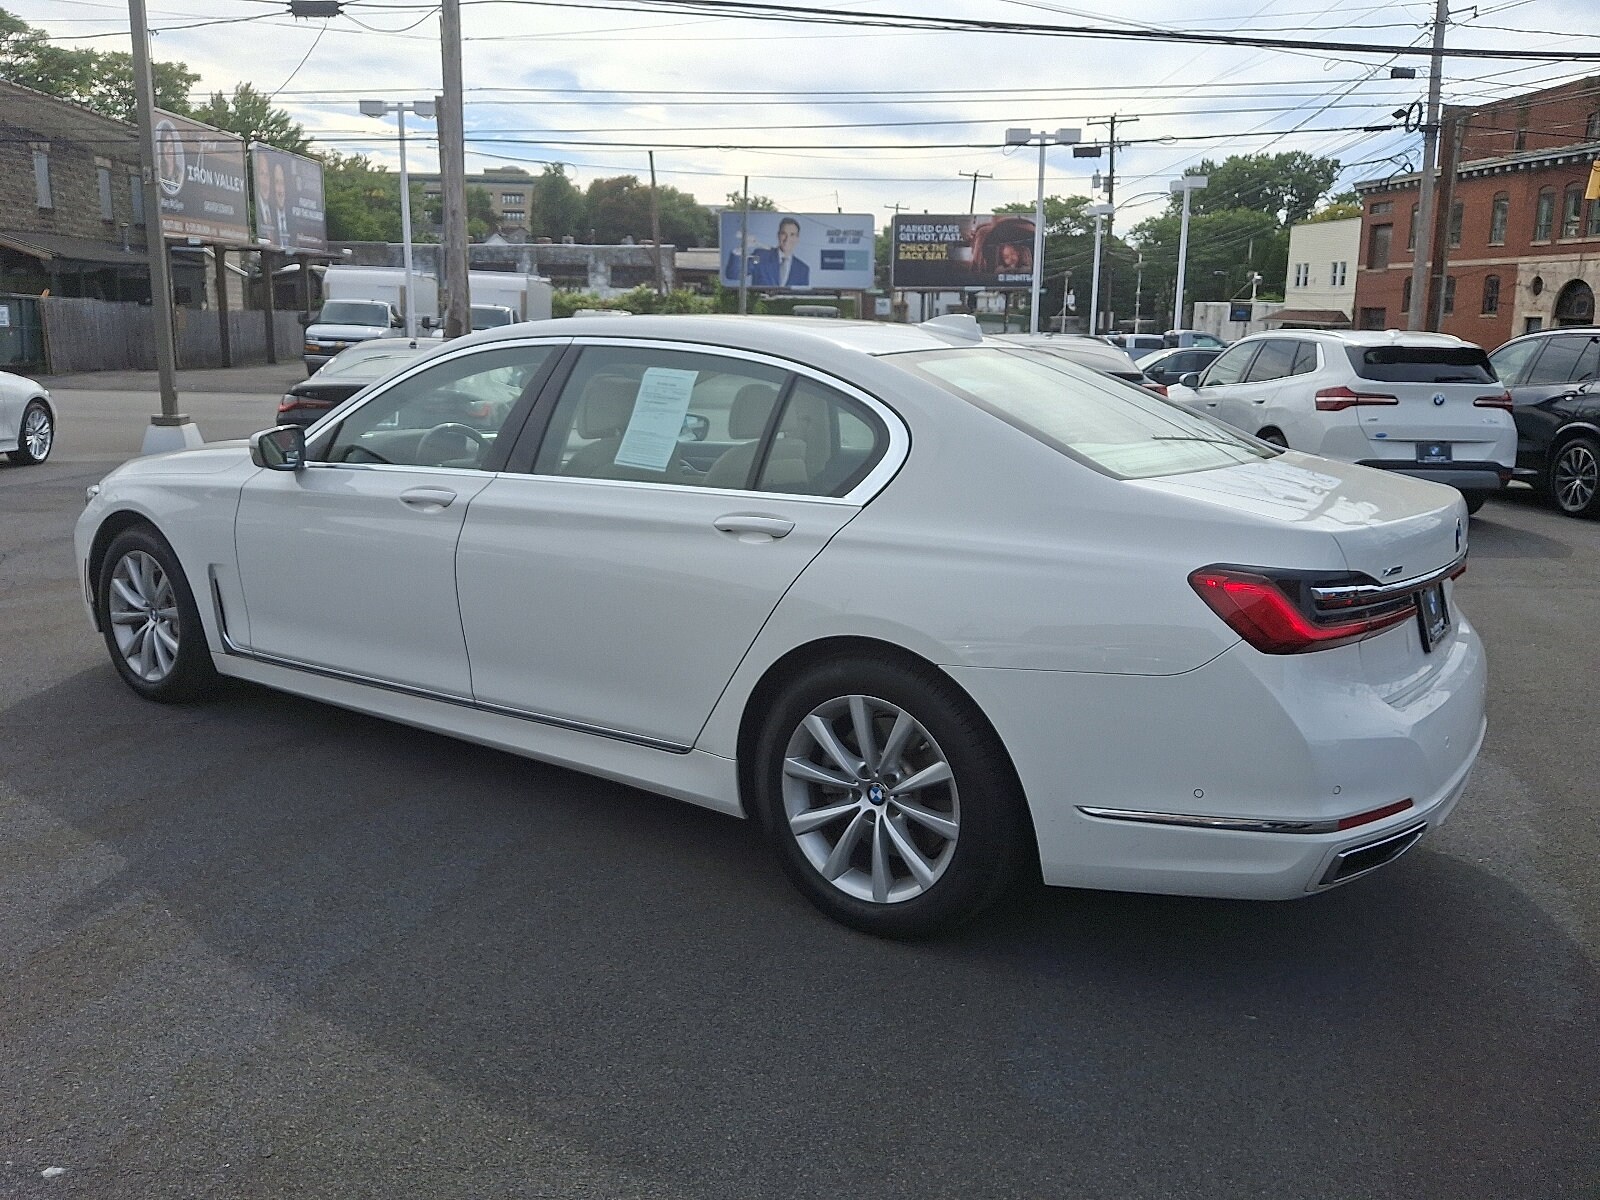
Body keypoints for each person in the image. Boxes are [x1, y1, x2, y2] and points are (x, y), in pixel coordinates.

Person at [736, 217, 811, 287]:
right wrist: (741, 249)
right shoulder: (760, 257)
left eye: (792, 235)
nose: (787, 239)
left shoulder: (803, 269)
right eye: (784, 234)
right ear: (778, 235)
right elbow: (736, 273)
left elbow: (802, 297)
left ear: (797, 238)